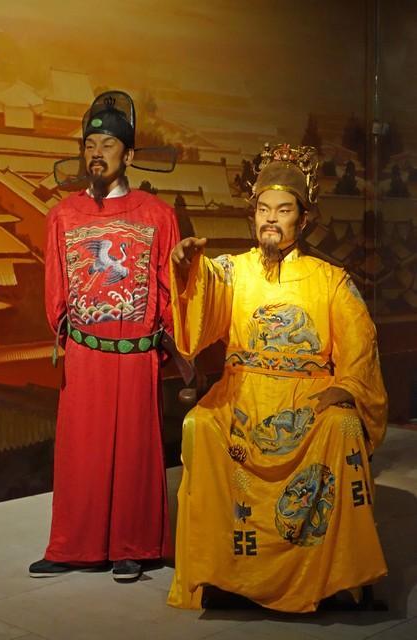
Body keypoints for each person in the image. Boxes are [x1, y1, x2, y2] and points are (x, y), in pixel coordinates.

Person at [167, 143, 388, 612]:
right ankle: (220, 572)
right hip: (243, 393)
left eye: (283, 210)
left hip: (307, 399)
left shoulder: (331, 279)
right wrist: (187, 270)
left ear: (302, 220)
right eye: (263, 209)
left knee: (343, 425)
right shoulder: (234, 271)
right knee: (199, 426)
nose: (271, 219)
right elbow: (203, 299)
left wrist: (346, 386)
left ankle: (338, 575)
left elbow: (360, 343)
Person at [29, 90, 179, 582]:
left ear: (128, 155)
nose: (97, 153)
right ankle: (74, 545)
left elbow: (168, 288)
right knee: (81, 451)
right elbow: (56, 289)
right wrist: (73, 337)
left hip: (136, 353)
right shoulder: (64, 215)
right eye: (90, 145)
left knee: (135, 450)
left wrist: (161, 344)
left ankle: (132, 545)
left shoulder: (156, 215)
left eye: (108, 145)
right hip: (86, 351)